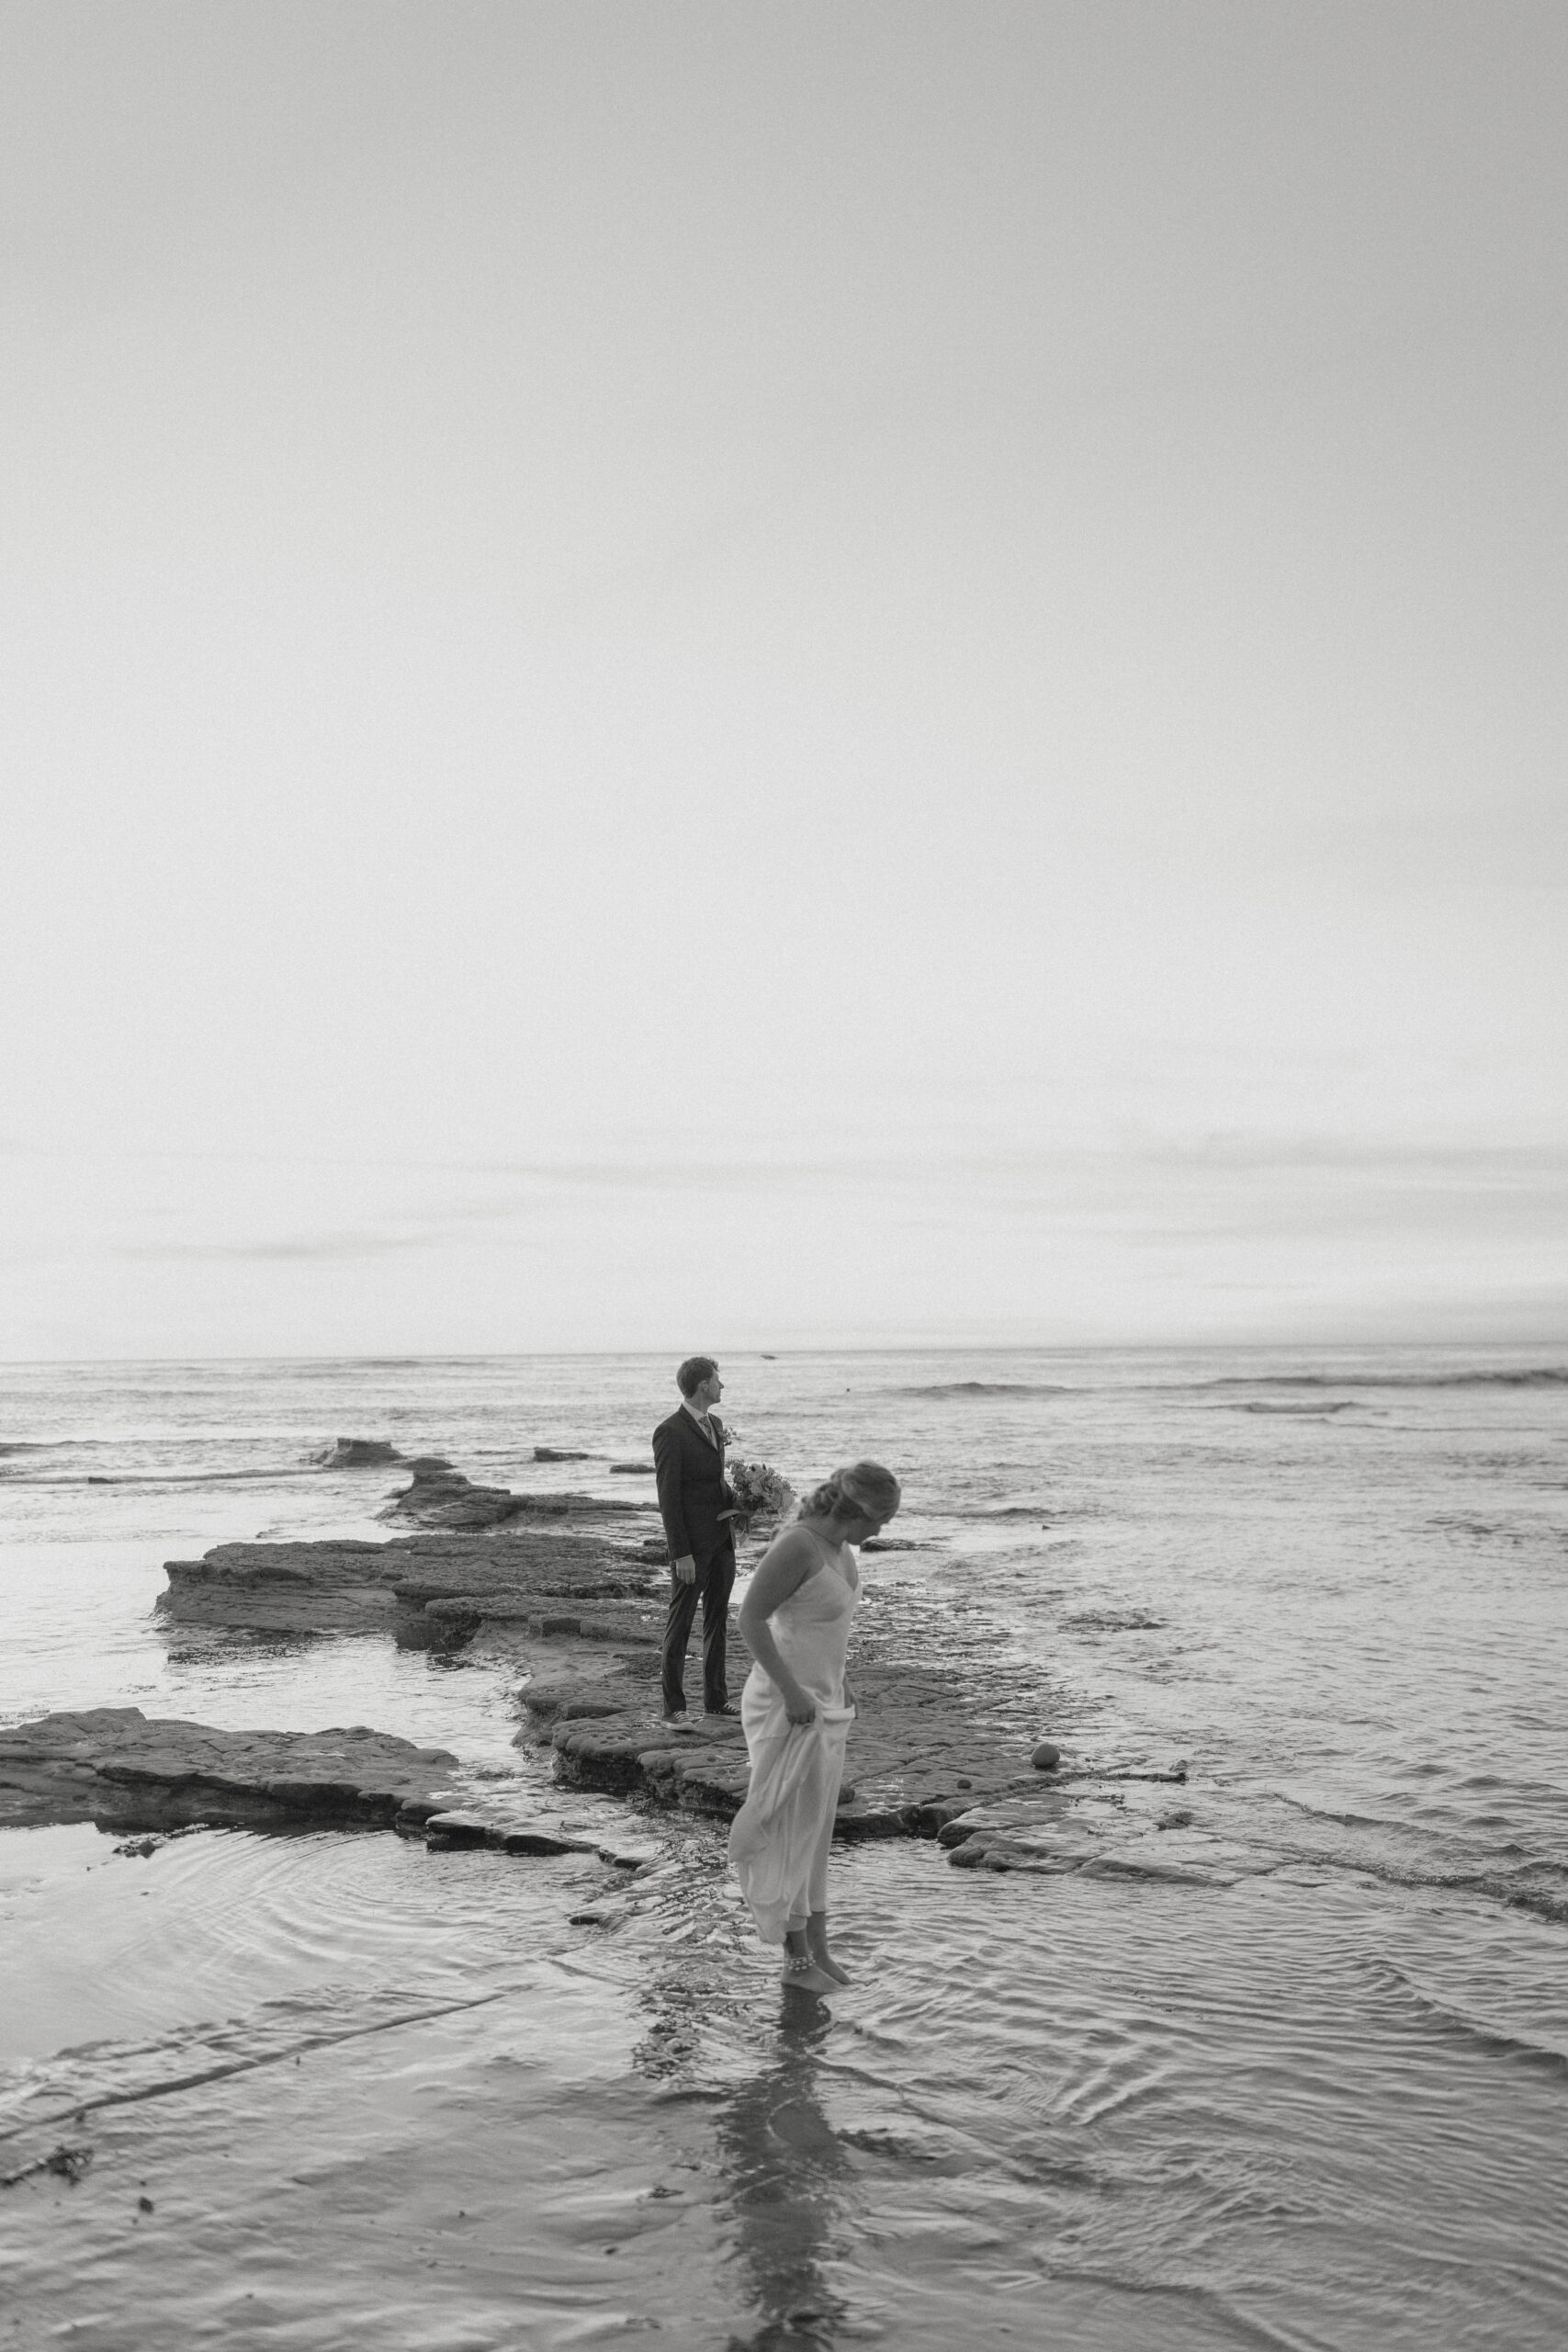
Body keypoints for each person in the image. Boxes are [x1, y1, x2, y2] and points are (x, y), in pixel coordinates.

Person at [730, 1460, 901, 1993]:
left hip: (826, 1702)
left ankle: (820, 1952)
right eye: (883, 1519)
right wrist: (792, 1691)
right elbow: (750, 1618)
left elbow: (826, 1627)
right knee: (787, 1834)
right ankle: (795, 1963)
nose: (883, 1531)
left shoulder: (842, 1548)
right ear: (858, 1511)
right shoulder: (798, 1546)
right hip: (786, 1705)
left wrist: (839, 1678)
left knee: (816, 1834)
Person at [654, 1356, 739, 1719]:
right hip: (692, 1547)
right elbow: (668, 1496)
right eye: (718, 1380)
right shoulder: (669, 1431)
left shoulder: (715, 1424)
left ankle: (716, 1701)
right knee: (682, 1622)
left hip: (722, 1540)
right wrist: (680, 1553)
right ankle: (674, 1707)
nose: (723, 1386)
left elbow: (715, 1483)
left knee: (718, 1620)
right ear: (703, 1384)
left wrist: (745, 1504)